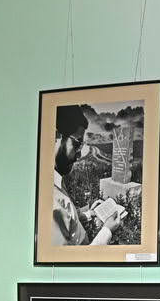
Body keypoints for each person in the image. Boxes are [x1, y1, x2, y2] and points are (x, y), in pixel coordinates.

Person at [52, 104, 126, 245]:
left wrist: (89, 214)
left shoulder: (57, 181)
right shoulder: (52, 202)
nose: (79, 154)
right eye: (77, 144)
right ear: (55, 136)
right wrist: (107, 230)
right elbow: (75, 259)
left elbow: (68, 221)